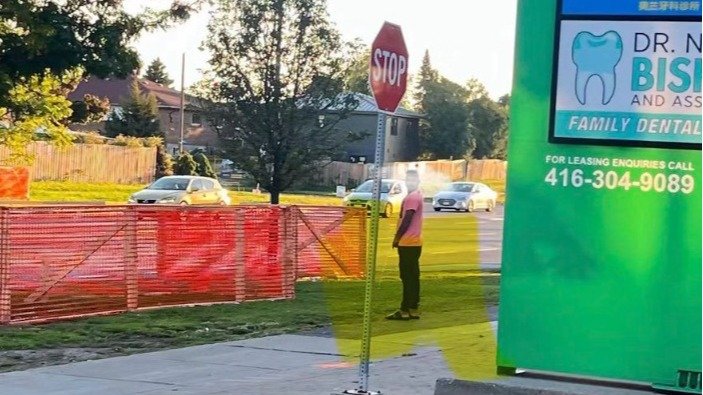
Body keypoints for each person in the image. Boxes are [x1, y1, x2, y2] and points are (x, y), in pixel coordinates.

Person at [386, 169, 423, 321]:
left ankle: (404, 309)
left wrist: (397, 238)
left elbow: (407, 219)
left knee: (407, 276)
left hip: (408, 242)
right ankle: (413, 307)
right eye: (408, 180)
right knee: (413, 276)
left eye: (412, 180)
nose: (409, 182)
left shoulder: (412, 198)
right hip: (415, 242)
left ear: (417, 181)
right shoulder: (417, 195)